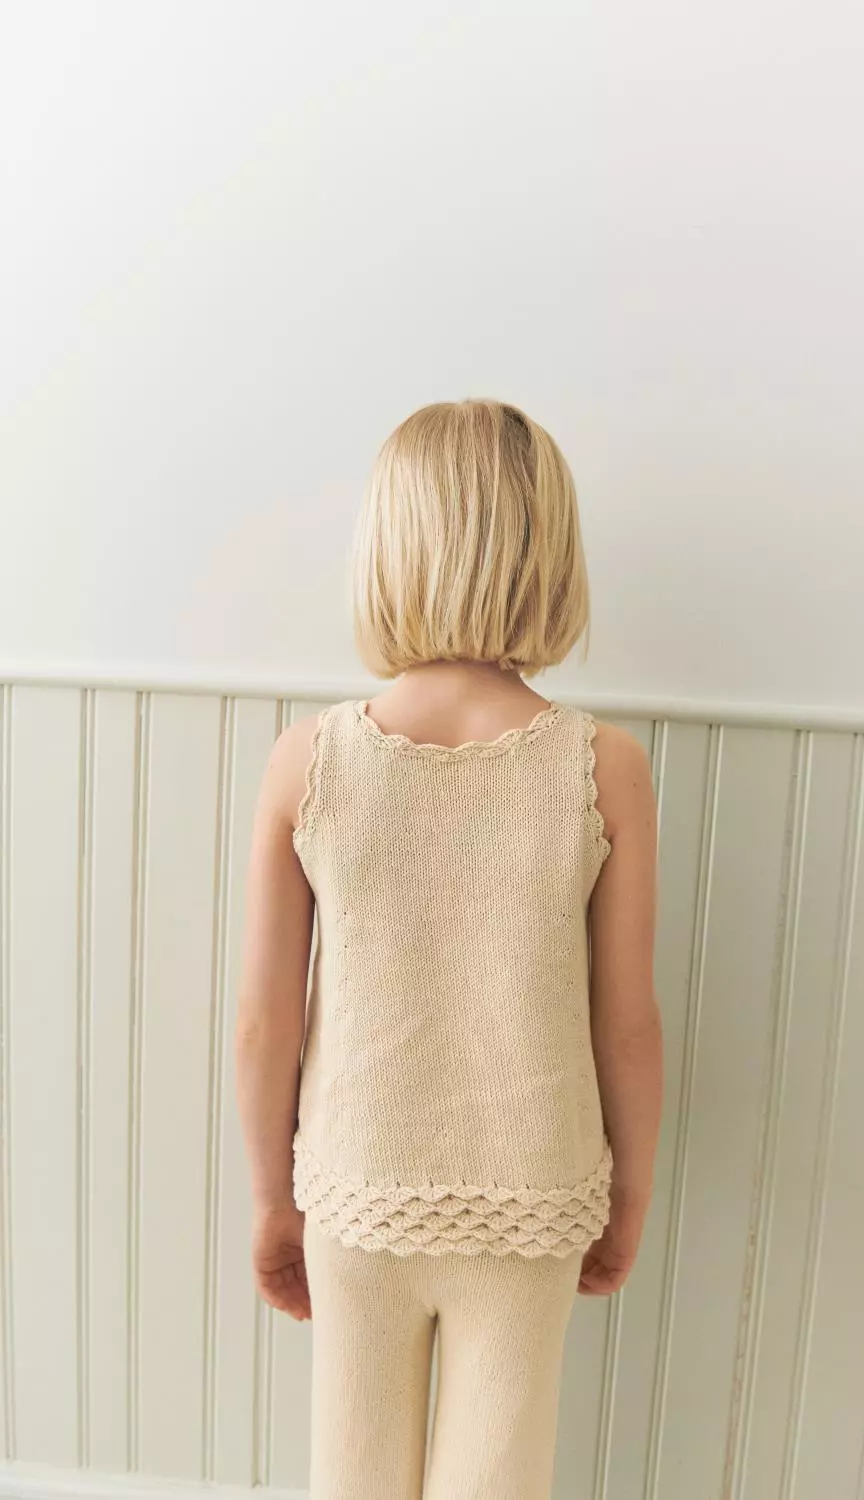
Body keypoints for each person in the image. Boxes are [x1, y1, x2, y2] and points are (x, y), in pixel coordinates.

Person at [235, 399, 663, 1500]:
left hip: (358, 1186)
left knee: (354, 1474)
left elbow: (265, 1024)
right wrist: (628, 1196)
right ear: (549, 555)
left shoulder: (310, 761)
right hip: (532, 1193)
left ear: (386, 551)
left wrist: (273, 1199)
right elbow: (627, 1023)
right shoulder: (603, 767)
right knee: (500, 1477)